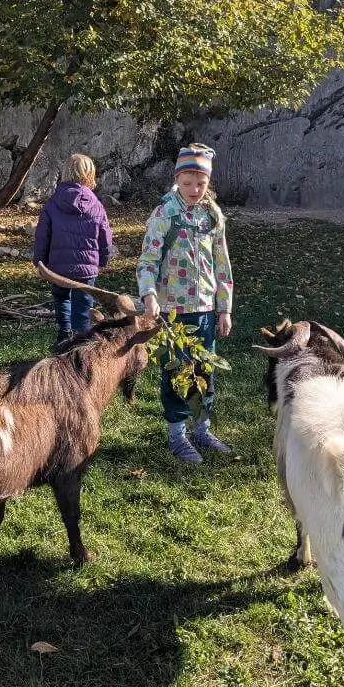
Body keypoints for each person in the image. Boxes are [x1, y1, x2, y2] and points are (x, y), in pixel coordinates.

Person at [135, 143, 234, 463]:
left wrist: (224, 307)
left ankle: (201, 428)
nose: (194, 190)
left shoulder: (212, 216)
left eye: (200, 184)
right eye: (187, 183)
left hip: (205, 309)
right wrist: (148, 294)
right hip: (172, 311)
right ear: (177, 179)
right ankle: (177, 434)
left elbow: (222, 264)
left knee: (205, 369)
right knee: (178, 370)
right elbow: (147, 261)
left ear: (208, 184)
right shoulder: (165, 214)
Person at [31, 153, 116, 348]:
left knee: (62, 299)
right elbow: (105, 236)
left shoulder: (52, 204)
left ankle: (63, 336)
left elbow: (42, 235)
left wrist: (40, 260)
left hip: (58, 266)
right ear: (90, 175)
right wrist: (103, 259)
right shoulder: (96, 205)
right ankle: (80, 341)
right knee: (83, 304)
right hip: (87, 268)